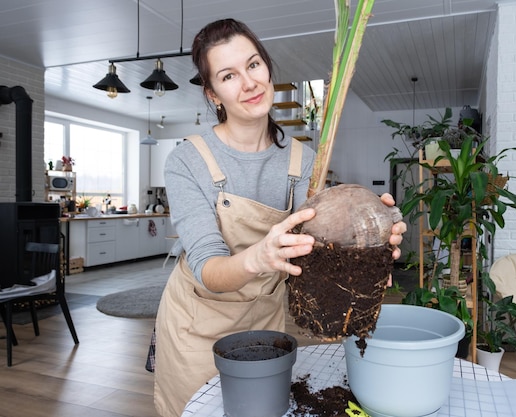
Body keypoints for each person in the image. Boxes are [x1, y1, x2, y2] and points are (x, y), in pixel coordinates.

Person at [153, 18, 406, 417]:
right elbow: (206, 266)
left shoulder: (302, 161)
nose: (249, 83)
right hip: (198, 325)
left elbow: (322, 240)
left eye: (254, 65)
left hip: (268, 319)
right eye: (228, 75)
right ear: (213, 94)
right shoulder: (188, 160)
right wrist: (260, 256)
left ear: (267, 68)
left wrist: (375, 227)